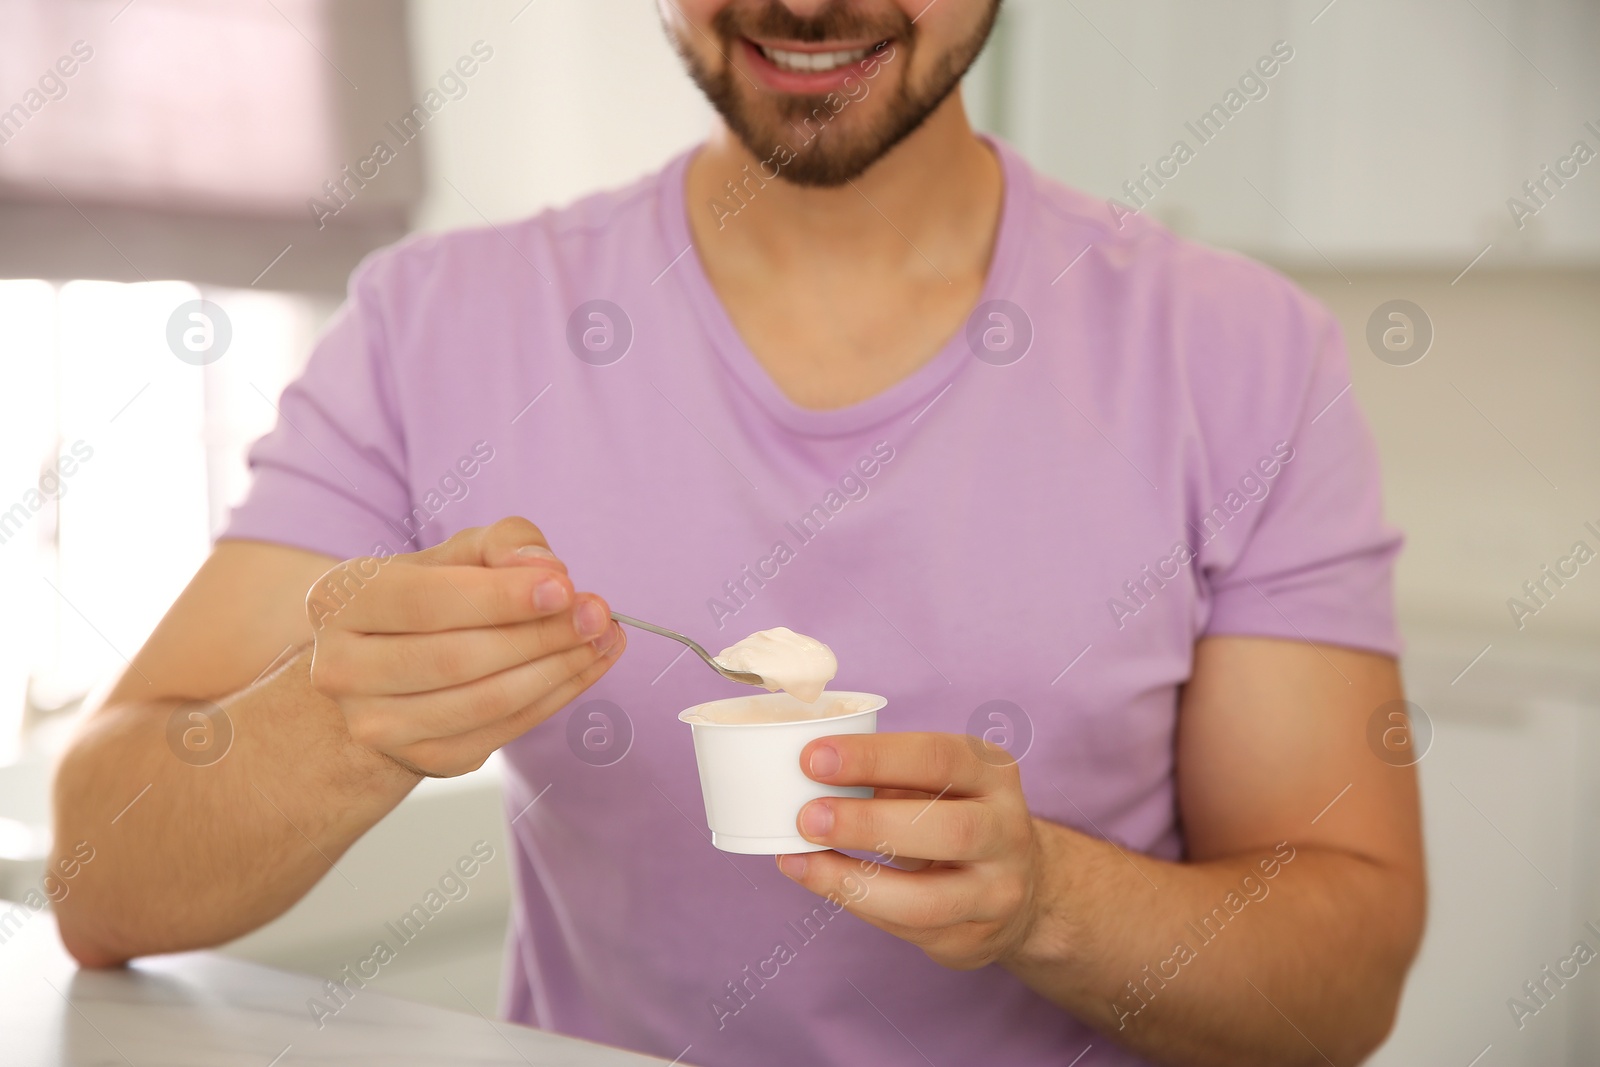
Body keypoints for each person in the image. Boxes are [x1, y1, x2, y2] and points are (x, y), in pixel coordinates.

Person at [50, 1, 1425, 1064]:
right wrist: (341, 722)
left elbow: (1344, 983)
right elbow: (101, 880)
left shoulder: (1236, 355)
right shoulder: (437, 326)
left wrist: (1044, 900)